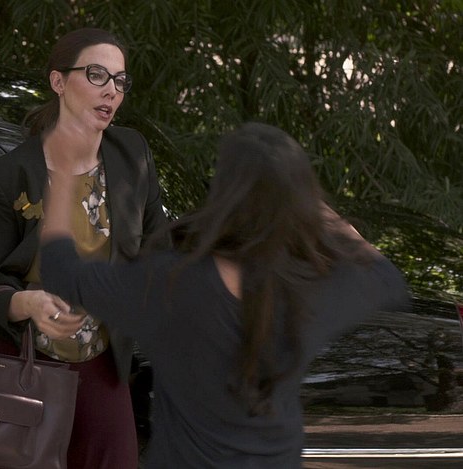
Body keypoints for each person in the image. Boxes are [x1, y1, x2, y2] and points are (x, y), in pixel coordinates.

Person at [39, 122, 411, 468]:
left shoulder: (171, 284)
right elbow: (385, 275)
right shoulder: (309, 291)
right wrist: (311, 206)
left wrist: (65, 171)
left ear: (223, 192)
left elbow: (61, 270)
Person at [0, 28, 168, 469]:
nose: (112, 90)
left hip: (102, 364)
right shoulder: (8, 175)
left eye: (120, 81)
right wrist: (29, 303)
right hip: (23, 366)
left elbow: (160, 246)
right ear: (58, 82)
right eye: (97, 75)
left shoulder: (132, 153)